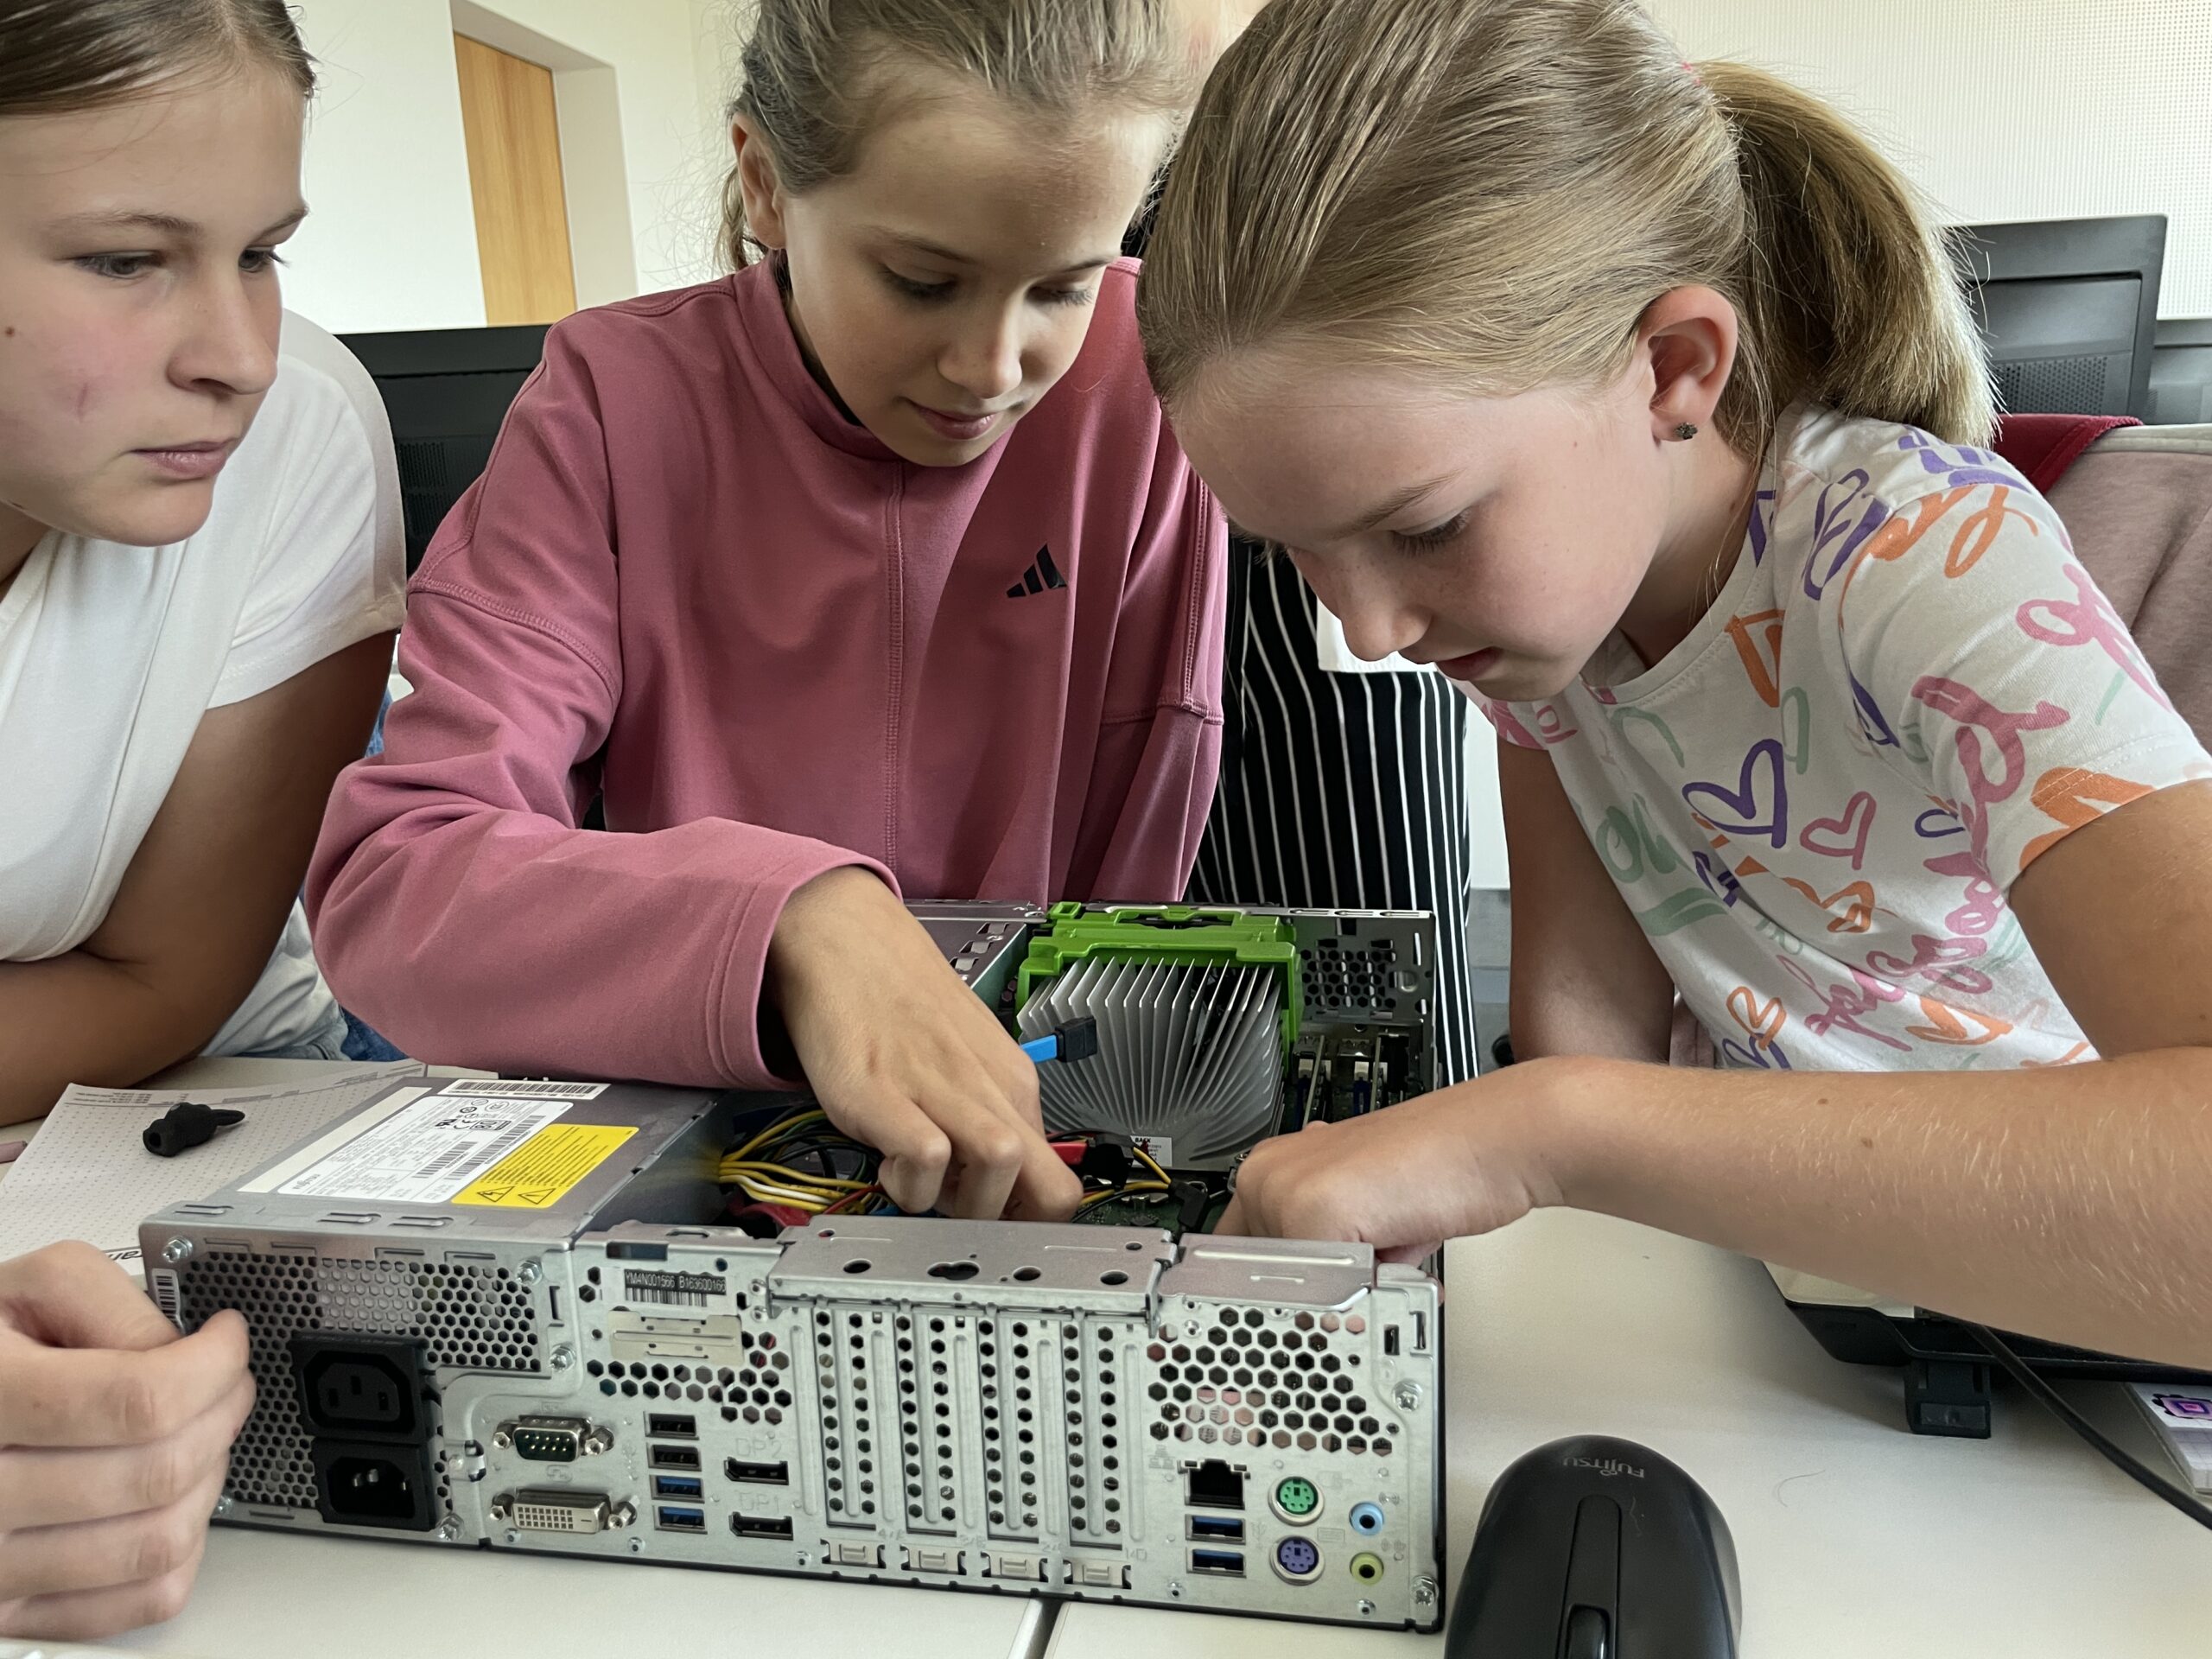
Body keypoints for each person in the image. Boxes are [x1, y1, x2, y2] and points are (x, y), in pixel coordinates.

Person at [1139, 0, 2212, 1370]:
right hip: (1780, 1299)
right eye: (1293, 553)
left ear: (1675, 369)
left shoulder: (1922, 553)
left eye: (1426, 528)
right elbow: (1586, 1029)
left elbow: (1581, 1100)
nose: (1367, 632)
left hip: (2055, 1311)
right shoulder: (1546, 637)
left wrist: (1547, 1130)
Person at [308, 0, 1226, 1225]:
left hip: (1036, 1149)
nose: (991, 369)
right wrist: (798, 918)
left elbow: (1133, 870)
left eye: (1061, 287)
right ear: (766, 185)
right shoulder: (610, 405)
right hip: (695, 1178)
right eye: (920, 280)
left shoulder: (1146, 382)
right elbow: (395, 883)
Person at [0, 0, 404, 1637]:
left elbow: (165, 980)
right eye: (123, 259)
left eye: (264, 251)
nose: (233, 351)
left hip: (213, 1102)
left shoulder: (293, 431)